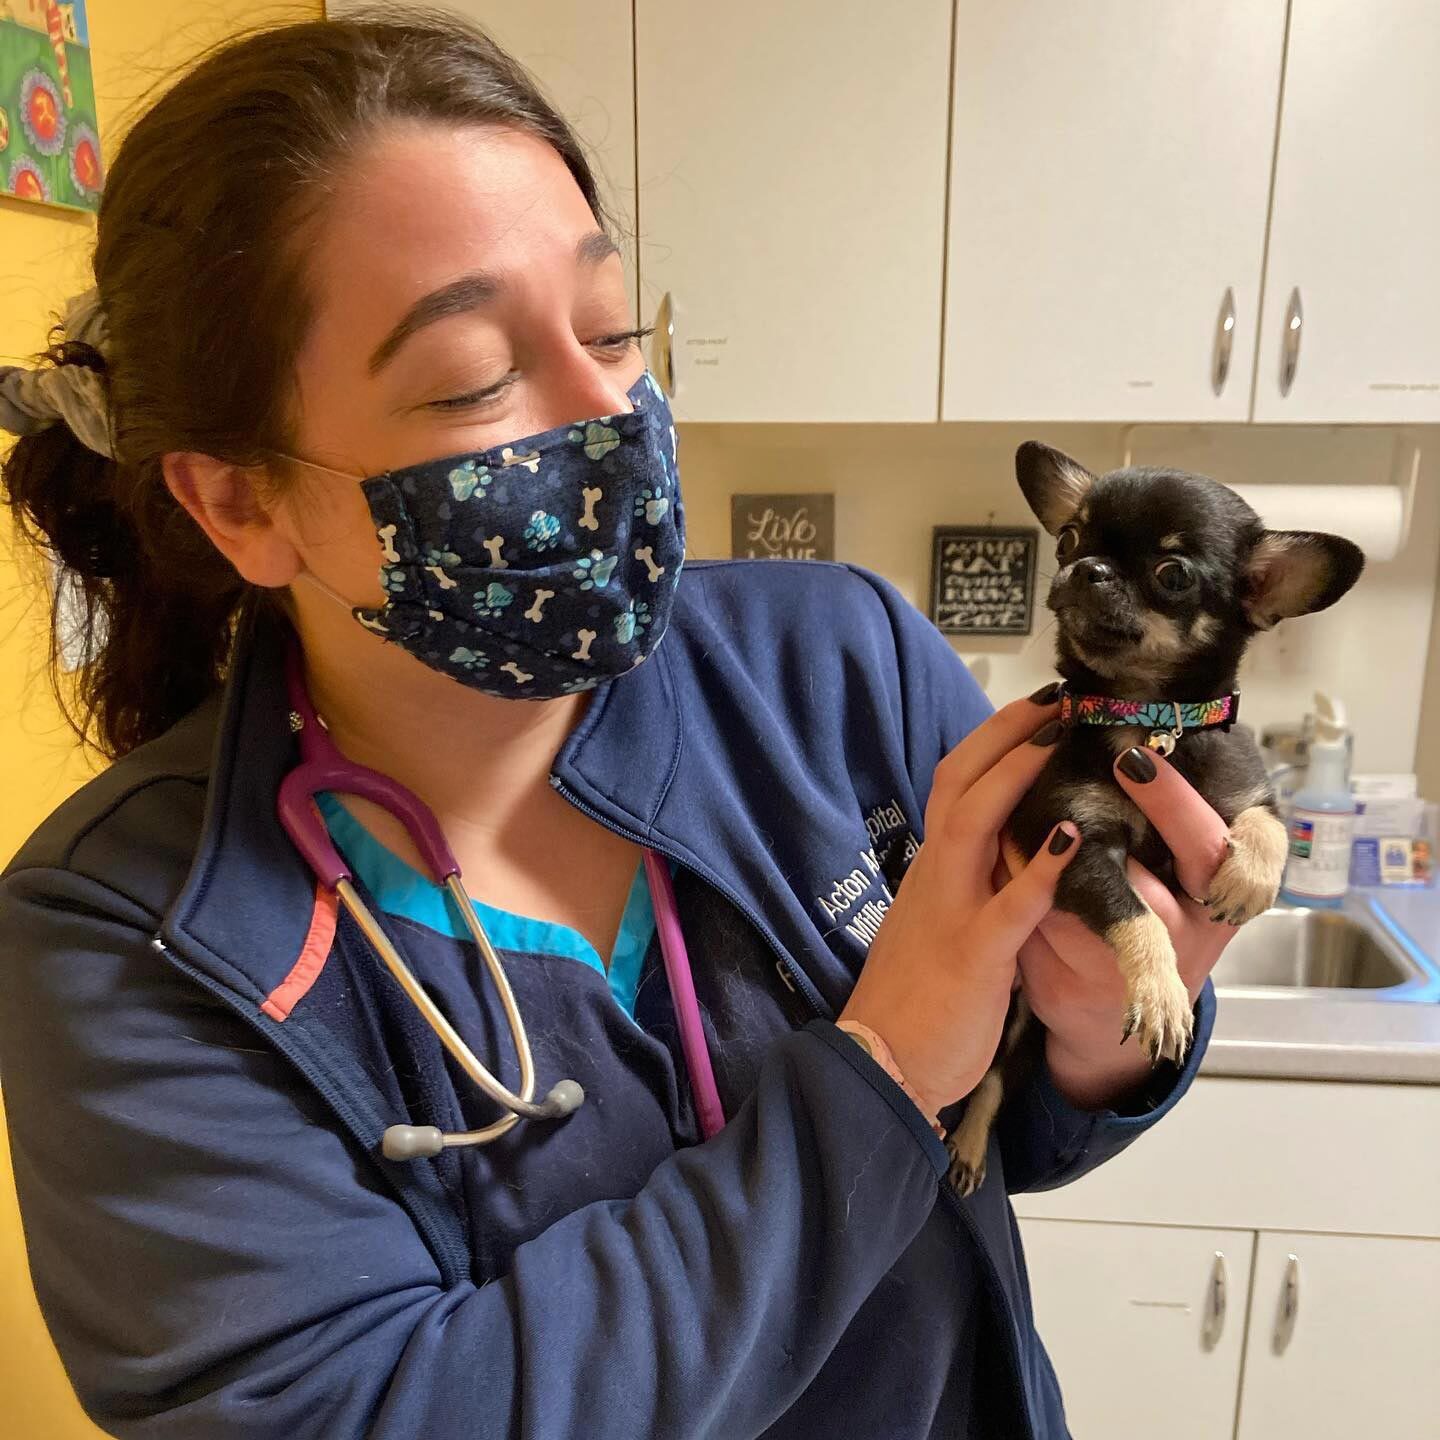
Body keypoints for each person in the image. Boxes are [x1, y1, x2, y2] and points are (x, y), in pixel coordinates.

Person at [0, 15, 1237, 1439]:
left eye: (609, 329)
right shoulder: (131, 941)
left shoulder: (840, 660)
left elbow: (1003, 1132)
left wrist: (1099, 1039)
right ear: (240, 503)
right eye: (475, 380)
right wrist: (881, 1068)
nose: (610, 409)